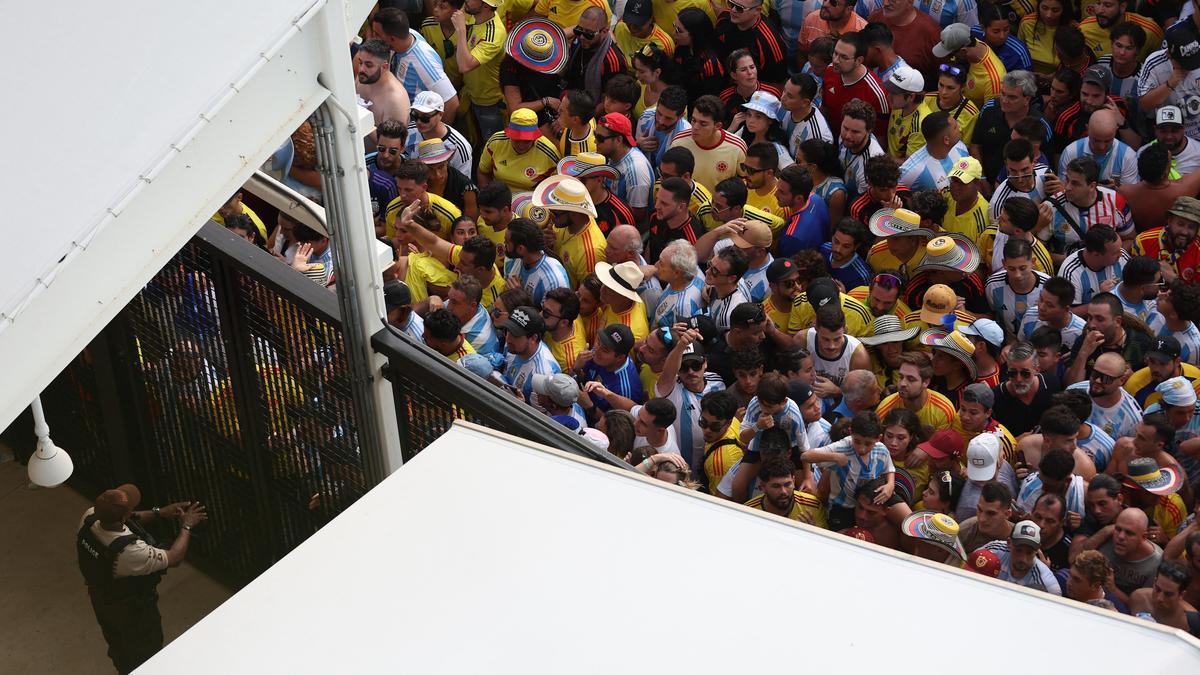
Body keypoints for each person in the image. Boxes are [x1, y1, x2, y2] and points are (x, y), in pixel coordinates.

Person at [78, 485, 207, 673]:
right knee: (146, 655)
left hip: (102, 600)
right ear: (122, 518)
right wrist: (186, 525)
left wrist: (159, 512)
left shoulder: (89, 517)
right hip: (132, 611)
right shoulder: (129, 552)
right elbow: (174, 558)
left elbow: (131, 517)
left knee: (119, 648)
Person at [371, 8, 461, 122]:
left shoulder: (423, 63)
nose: (374, 37)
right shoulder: (406, 34)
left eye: (377, 34)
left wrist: (434, 137)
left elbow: (452, 103)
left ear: (392, 39)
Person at [970, 71, 1043, 183]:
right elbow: (975, 145)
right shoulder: (989, 109)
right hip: (985, 181)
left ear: (1027, 99)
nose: (1004, 100)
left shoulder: (1039, 123)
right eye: (1002, 94)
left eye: (1012, 97)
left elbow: (1043, 161)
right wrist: (981, 178)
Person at [1064, 292, 1153, 384]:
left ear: (1117, 321)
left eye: (1100, 319)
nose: (1091, 325)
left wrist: (1133, 378)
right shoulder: (1084, 341)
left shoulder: (1141, 343)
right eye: (1090, 318)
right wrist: (1083, 354)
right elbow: (1071, 386)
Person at [667, 95, 748, 192]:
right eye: (693, 120)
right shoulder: (678, 143)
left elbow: (746, 181)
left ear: (717, 126)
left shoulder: (737, 147)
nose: (695, 127)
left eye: (703, 123)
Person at [451, 0, 507, 140]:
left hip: (488, 103)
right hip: (471, 94)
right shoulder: (474, 13)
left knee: (491, 144)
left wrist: (461, 31)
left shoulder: (493, 35)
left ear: (486, 6)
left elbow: (464, 66)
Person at [821, 32, 890, 139]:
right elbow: (825, 109)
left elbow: (880, 139)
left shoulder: (877, 94)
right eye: (835, 53)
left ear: (859, 60)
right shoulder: (830, 70)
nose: (835, 60)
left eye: (844, 57)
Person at [1122, 144, 1200, 234]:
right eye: (1171, 161)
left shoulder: (1125, 192)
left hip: (1143, 241)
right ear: (1166, 171)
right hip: (1169, 240)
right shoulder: (1183, 189)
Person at [478, 109, 561, 192]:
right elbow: (483, 172)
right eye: (516, 140)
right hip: (499, 196)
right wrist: (488, 197)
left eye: (527, 141)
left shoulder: (549, 152)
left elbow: (555, 186)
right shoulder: (496, 142)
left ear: (535, 138)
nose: (521, 146)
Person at [876, 351, 957, 435]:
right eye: (901, 377)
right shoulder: (886, 408)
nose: (902, 383)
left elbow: (943, 446)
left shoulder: (944, 410)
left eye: (911, 379)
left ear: (926, 382)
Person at [713, 0, 788, 85]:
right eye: (731, 4)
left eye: (739, 8)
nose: (733, 10)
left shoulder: (769, 41)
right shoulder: (725, 19)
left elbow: (778, 83)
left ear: (757, 10)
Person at [865, 0, 942, 83]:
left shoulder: (931, 33)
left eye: (893, 0)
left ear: (910, 1)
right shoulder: (875, 18)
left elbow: (943, 79)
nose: (885, 3)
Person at [1098, 507, 1164, 604]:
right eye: (1118, 529)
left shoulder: (1156, 562)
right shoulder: (1106, 539)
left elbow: (1144, 606)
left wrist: (1113, 589)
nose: (1120, 537)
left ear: (1144, 537)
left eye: (1129, 533)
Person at [1058, 109, 1139, 187]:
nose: (1102, 147)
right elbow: (1064, 189)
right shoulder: (1071, 152)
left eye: (1107, 141)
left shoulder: (1128, 156)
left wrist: (1115, 190)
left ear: (1116, 130)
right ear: (1087, 129)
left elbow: (1130, 196)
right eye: (1096, 140)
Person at [987, 237, 1051, 335]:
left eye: (1022, 268)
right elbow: (992, 314)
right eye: (1011, 269)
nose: (1017, 275)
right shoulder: (993, 285)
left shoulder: (1048, 286)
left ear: (1033, 262)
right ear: (1004, 264)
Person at [1133, 196, 1200, 285]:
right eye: (1180, 224)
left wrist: (1174, 280)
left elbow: (1196, 296)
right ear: (1169, 221)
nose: (1184, 232)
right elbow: (1133, 284)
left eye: (1191, 227)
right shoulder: (1142, 242)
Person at [985, 520, 1063, 594]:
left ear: (1037, 549)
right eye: (1018, 550)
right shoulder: (993, 551)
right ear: (1009, 543)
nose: (1023, 559)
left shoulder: (1048, 585)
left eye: (1029, 552)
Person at [899, 112, 969, 194]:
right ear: (946, 140)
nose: (959, 128)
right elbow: (894, 195)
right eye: (955, 127)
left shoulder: (960, 148)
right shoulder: (912, 171)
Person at [744, 457, 827, 526]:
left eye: (787, 484)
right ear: (762, 487)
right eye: (776, 486)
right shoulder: (748, 512)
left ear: (794, 481)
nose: (783, 491)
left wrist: (813, 533)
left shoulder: (813, 506)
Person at [917, 61, 981, 149]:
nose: (943, 92)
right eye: (941, 85)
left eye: (950, 88)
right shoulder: (926, 99)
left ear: (962, 88)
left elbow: (965, 148)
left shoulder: (971, 114)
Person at [670, 7, 727, 105]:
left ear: (694, 35)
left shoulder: (711, 64)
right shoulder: (681, 47)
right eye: (674, 26)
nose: (673, 33)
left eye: (679, 30)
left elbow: (711, 101)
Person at [354, 39, 412, 132]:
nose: (361, 69)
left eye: (369, 65)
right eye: (360, 62)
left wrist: (360, 119)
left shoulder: (395, 100)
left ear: (384, 67)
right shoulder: (364, 77)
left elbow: (392, 144)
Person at [1129, 562, 1200, 635]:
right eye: (1157, 589)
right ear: (1154, 582)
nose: (1160, 598)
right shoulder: (1138, 598)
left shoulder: (1192, 622)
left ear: (1181, 594)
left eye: (1168, 594)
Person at [1079, 0, 1163, 61]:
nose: (1100, 11)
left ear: (1122, 7)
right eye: (1098, 3)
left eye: (1107, 5)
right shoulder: (1085, 29)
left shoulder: (1150, 31)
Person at [837, 100, 887, 201]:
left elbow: (862, 204)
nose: (847, 135)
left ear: (869, 131)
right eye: (845, 128)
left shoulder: (870, 165)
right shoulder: (847, 138)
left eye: (855, 132)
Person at [776, 165, 830, 258]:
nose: (775, 194)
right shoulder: (816, 199)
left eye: (782, 192)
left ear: (799, 198)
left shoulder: (792, 237)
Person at [635, 85, 690, 169]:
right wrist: (637, 144)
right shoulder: (645, 117)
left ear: (681, 116)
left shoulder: (686, 135)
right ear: (657, 106)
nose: (661, 121)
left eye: (668, 118)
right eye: (659, 113)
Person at [956, 481, 1016, 552]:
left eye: (991, 513)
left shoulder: (1018, 540)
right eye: (980, 509)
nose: (982, 519)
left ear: (1007, 514)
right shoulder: (964, 532)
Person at [971, 3, 1032, 72]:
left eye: (1006, 30)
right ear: (983, 28)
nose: (1002, 36)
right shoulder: (974, 34)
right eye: (996, 32)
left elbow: (1026, 80)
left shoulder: (1019, 53)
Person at [883, 65, 926, 161]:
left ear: (911, 97)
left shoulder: (920, 124)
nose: (888, 96)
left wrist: (880, 158)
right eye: (889, 91)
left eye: (894, 93)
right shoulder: (898, 105)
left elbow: (910, 165)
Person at [1018, 0, 1070, 75]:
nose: (1048, 15)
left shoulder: (1072, 28)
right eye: (1044, 8)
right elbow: (1019, 53)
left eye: (1055, 10)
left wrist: (1051, 78)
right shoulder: (1027, 23)